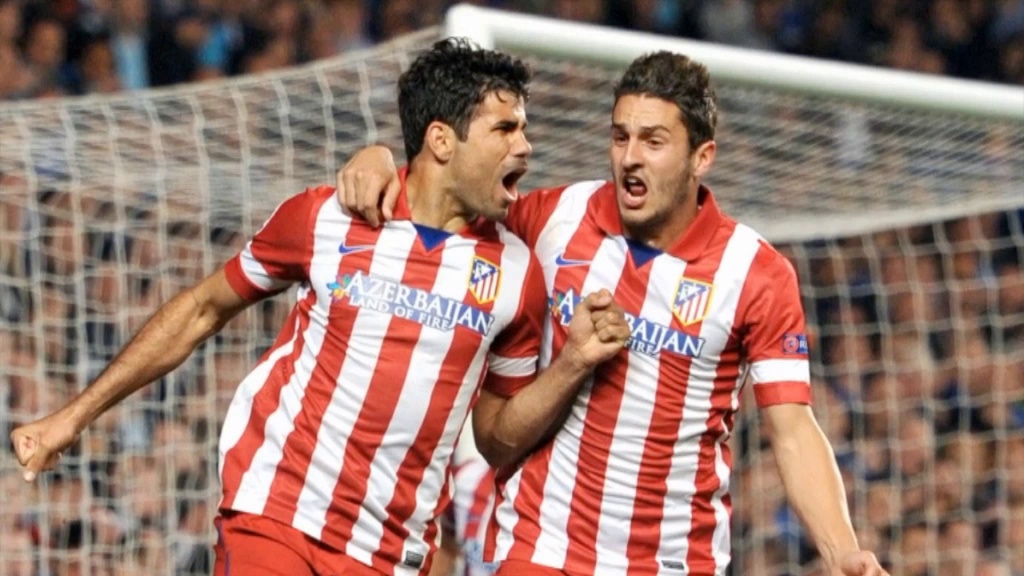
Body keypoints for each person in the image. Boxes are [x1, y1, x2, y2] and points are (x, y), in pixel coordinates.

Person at [9, 38, 631, 576]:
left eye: (523, 129)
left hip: (389, 548)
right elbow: (202, 308)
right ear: (442, 139)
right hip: (279, 511)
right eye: (505, 129)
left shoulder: (517, 275)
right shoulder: (328, 218)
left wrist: (573, 363)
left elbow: (495, 440)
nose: (525, 146)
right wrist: (73, 417)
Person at [335, 51, 889, 575]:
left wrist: (841, 551)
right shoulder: (553, 218)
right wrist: (383, 161)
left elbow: (792, 429)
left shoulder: (756, 273)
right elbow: (444, 200)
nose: (630, 157)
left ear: (702, 157)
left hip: (673, 561)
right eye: (620, 136)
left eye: (653, 141)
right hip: (540, 550)